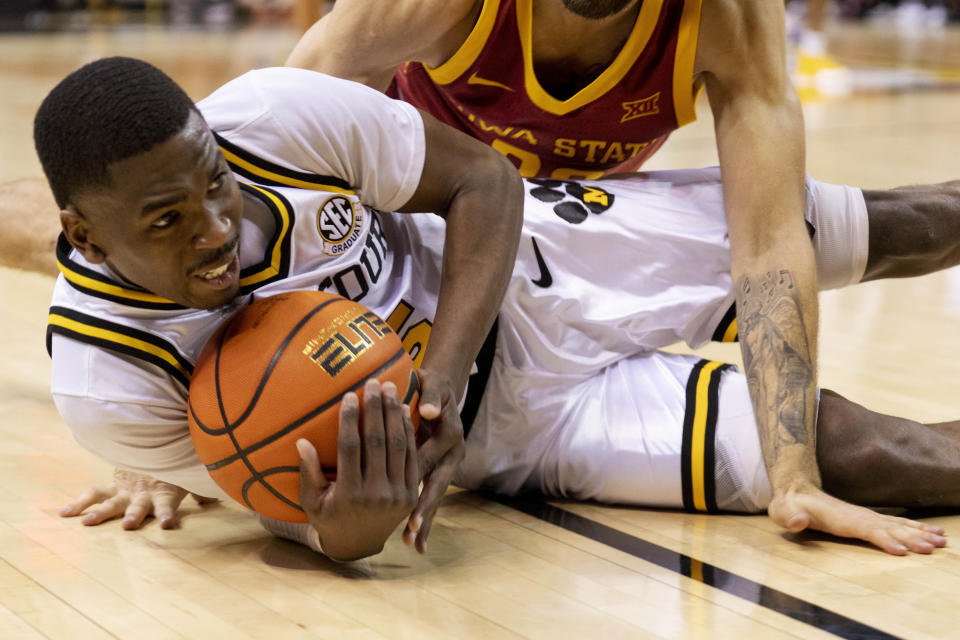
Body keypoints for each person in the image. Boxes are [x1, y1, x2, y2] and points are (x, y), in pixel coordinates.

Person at [38, 57, 960, 560]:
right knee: (873, 456)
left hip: (534, 261)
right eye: (167, 219)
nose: (214, 228)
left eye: (214, 185)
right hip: (522, 430)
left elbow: (484, 178)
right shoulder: (109, 386)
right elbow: (306, 515)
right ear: (84, 237)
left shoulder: (278, 120)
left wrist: (435, 378)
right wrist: (351, 531)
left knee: (919, 224)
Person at [284, 0, 846, 552]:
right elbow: (269, 146)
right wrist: (198, 385)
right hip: (407, 249)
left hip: (573, 234)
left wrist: (795, 478)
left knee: (847, 224)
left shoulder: (730, 14)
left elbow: (770, 242)